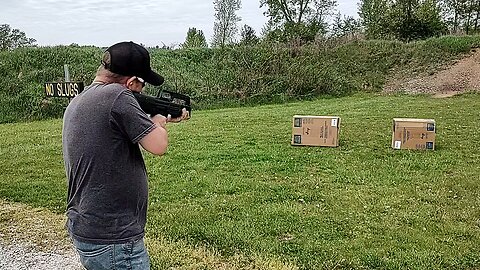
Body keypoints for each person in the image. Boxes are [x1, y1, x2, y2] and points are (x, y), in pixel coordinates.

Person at [62, 41, 189, 270]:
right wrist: (160, 121)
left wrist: (160, 119)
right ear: (131, 82)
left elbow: (115, 139)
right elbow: (159, 145)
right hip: (114, 238)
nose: (141, 91)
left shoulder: (81, 99)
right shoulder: (118, 97)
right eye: (141, 85)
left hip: (89, 227)